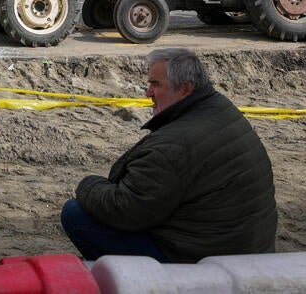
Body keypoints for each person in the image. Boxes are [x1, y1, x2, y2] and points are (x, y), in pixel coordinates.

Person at [61, 48, 277, 263]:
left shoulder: (172, 147)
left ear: (185, 89)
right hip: (248, 247)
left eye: (156, 84)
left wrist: (88, 185)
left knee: (74, 213)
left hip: (201, 259)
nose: (148, 93)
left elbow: (125, 210)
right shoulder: (219, 106)